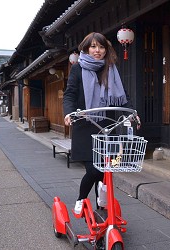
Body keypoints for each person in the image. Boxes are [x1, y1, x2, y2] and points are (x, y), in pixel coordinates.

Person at [63, 32, 139, 214]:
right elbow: (70, 94)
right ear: (86, 48)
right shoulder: (78, 69)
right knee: (94, 169)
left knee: (106, 167)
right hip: (85, 123)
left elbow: (122, 95)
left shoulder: (111, 68)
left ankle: (100, 195)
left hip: (107, 125)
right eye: (93, 46)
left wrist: (132, 113)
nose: (98, 51)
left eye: (101, 47)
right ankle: (81, 198)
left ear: (106, 49)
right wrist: (69, 113)